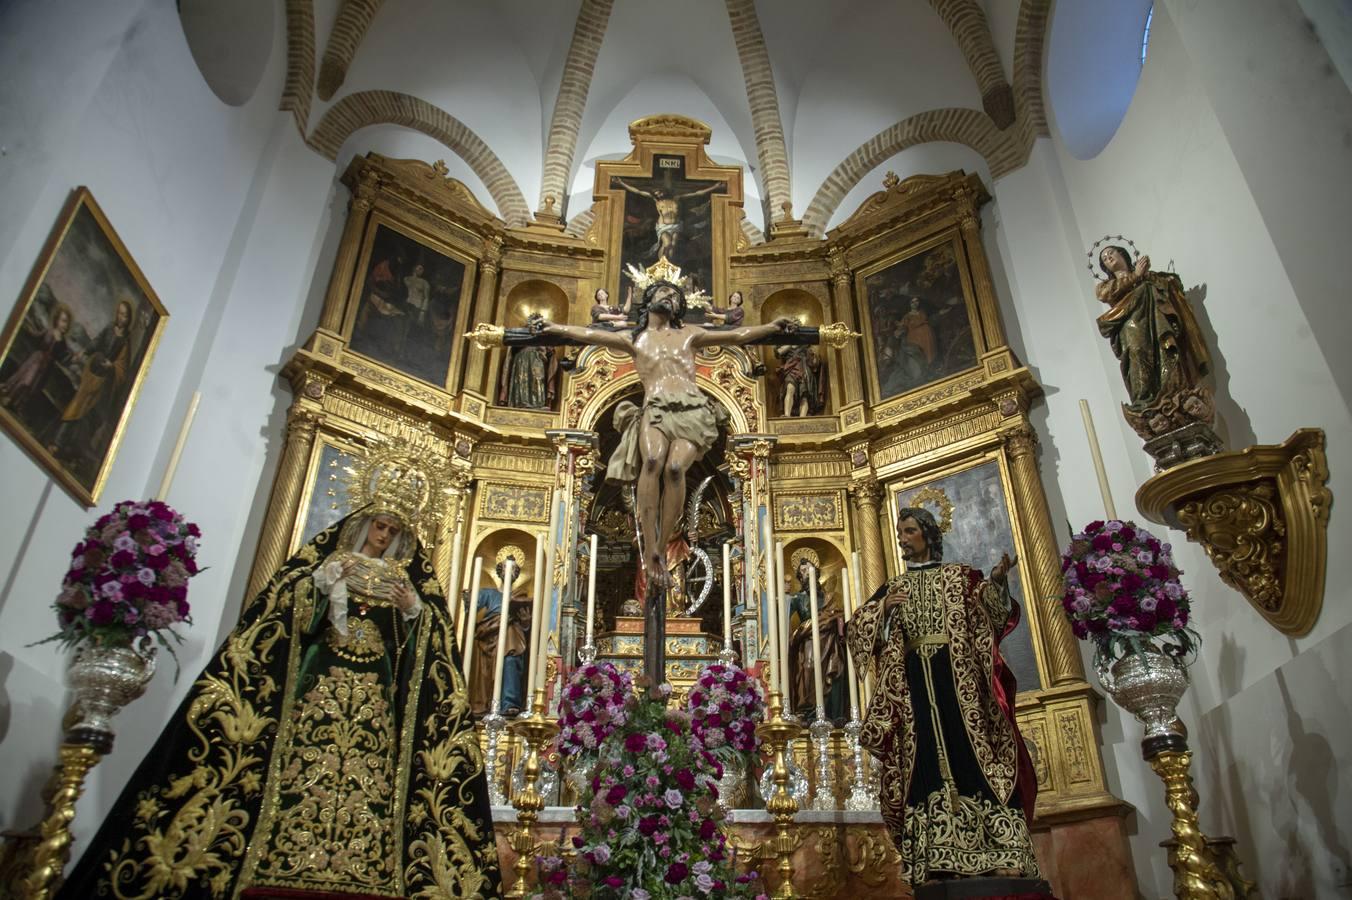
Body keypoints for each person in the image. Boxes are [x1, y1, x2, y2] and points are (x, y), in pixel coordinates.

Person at [56, 479, 502, 898]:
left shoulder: (402, 580)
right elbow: (293, 610)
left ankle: (364, 864)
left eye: (392, 531)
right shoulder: (330, 564)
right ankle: (274, 852)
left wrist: (412, 610)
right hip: (321, 679)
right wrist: (323, 586)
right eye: (379, 526)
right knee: (302, 760)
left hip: (375, 692)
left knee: (373, 773)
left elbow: (424, 645)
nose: (384, 536)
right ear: (363, 525)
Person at [846, 506, 1039, 886]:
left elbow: (995, 617)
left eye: (910, 531)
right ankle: (935, 859)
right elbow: (857, 629)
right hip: (915, 685)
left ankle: (1003, 852)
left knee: (973, 756)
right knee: (924, 766)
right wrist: (882, 608)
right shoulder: (895, 586)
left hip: (959, 683)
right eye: (900, 531)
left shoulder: (960, 577)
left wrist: (999, 583)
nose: (902, 538)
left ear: (928, 535)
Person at [1095, 245, 1211, 431]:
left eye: (1111, 253)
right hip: (1131, 326)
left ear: (1123, 254)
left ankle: (1176, 392)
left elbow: (1169, 286)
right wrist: (1136, 276)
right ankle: (1144, 399)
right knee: (1137, 353)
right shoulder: (1106, 286)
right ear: (1105, 267)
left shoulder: (1147, 275)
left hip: (1157, 324)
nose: (1108, 257)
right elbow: (1105, 295)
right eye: (1104, 258)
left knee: (1167, 353)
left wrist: (1167, 280)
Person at [47, 298, 133, 466]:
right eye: (119, 313)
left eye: (124, 315)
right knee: (75, 407)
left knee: (86, 417)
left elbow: (122, 368)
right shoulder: (109, 328)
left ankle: (68, 451)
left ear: (129, 319)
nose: (121, 317)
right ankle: (56, 443)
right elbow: (97, 341)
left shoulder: (125, 342)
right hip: (91, 374)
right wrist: (85, 352)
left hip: (103, 383)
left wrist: (112, 366)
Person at [785, 555, 848, 724]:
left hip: (830, 639)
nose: (806, 573)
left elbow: (841, 614)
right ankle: (808, 712)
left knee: (835, 671)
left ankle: (833, 713)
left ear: (817, 571)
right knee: (808, 668)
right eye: (802, 571)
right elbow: (785, 623)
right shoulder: (798, 599)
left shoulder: (830, 596)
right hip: (809, 640)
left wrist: (833, 620)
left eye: (809, 569)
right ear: (799, 576)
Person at [469, 551, 531, 716]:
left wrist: (525, 623)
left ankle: (509, 702)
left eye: (514, 569)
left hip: (512, 635)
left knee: (511, 660)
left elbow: (526, 623)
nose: (510, 571)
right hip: (489, 636)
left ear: (517, 574)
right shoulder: (488, 593)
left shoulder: (519, 595)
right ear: (499, 571)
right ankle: (485, 703)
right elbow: (471, 608)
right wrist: (469, 600)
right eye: (505, 567)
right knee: (485, 673)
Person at [613, 178, 724, 260]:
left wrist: (714, 187)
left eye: (660, 192)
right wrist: (621, 183)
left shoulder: (676, 198)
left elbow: (696, 193)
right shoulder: (657, 201)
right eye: (656, 193)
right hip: (663, 227)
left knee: (674, 244)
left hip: (676, 226)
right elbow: (637, 191)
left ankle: (669, 264)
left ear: (664, 191)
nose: (658, 194)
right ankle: (662, 264)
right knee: (667, 243)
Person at [1, 303, 73, 417]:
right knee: (26, 380)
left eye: (67, 322)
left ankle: (16, 404)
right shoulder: (49, 331)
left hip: (46, 368)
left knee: (33, 387)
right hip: (36, 361)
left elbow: (62, 357)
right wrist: (26, 325)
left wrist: (73, 358)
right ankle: (8, 397)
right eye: (63, 320)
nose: (65, 325)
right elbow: (36, 335)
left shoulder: (63, 343)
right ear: (57, 320)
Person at [499, 343, 558, 409]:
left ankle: (538, 404)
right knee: (523, 380)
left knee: (538, 380)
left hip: (538, 357)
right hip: (522, 357)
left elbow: (550, 348)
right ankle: (521, 403)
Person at [774, 343, 826, 417]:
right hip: (791, 367)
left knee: (804, 394)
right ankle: (787, 415)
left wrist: (814, 356)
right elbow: (778, 352)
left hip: (804, 367)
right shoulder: (785, 342)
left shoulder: (806, 343)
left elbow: (814, 359)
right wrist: (793, 342)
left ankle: (802, 417)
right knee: (790, 388)